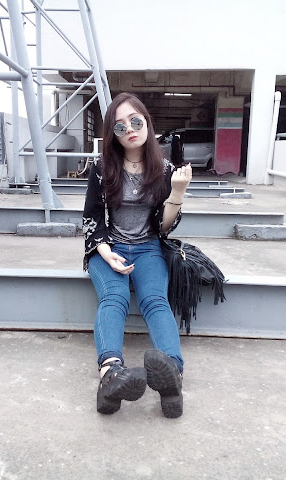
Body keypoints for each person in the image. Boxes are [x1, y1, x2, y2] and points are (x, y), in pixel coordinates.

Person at [82, 92, 192, 418]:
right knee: (114, 297)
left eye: (135, 121)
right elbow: (91, 217)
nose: (129, 129)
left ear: (147, 122)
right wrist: (106, 253)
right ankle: (110, 375)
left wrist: (177, 192)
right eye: (120, 126)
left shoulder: (165, 169)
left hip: (148, 247)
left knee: (155, 300)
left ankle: (172, 376)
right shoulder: (102, 167)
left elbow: (163, 227)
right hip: (109, 247)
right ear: (112, 134)